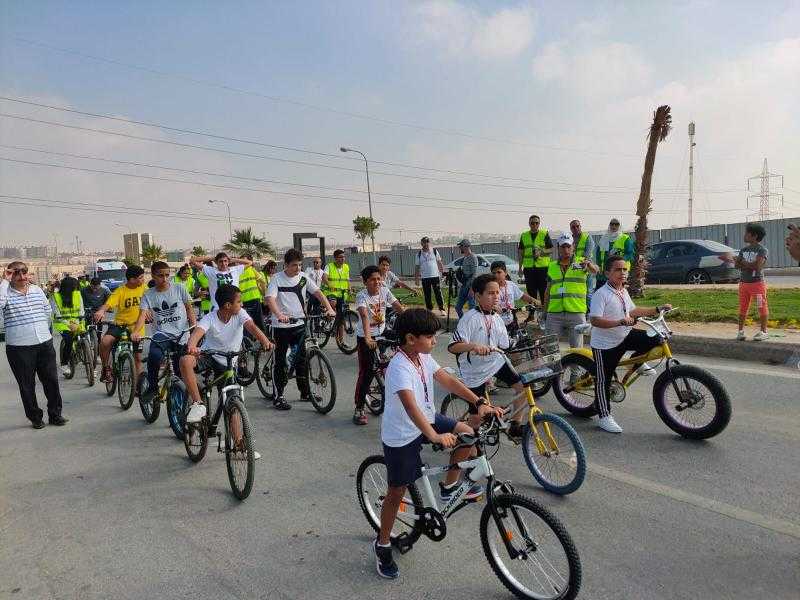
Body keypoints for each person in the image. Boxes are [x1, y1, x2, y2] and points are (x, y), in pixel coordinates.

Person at [374, 308, 504, 579]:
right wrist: (433, 436)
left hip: (428, 417)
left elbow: (446, 379)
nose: (435, 341)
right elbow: (410, 407)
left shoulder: (423, 357)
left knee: (468, 431)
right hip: (402, 434)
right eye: (430, 336)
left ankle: (448, 486)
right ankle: (383, 543)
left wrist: (479, 402)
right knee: (396, 492)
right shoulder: (399, 366)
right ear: (411, 338)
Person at [179, 285, 273, 461]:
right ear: (228, 305)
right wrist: (192, 346)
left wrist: (265, 340)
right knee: (185, 361)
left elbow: (251, 326)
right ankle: (198, 403)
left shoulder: (240, 314)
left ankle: (239, 445)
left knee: (233, 404)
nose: (242, 304)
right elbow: (198, 332)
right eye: (239, 301)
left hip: (229, 362)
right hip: (210, 356)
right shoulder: (210, 318)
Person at [589, 256, 671, 433]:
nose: (623, 273)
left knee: (655, 338)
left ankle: (637, 361)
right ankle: (603, 416)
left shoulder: (622, 291)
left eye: (624, 269)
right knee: (603, 379)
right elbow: (595, 320)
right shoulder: (601, 294)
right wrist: (619, 322)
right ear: (607, 273)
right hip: (605, 344)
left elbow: (632, 311)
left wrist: (657, 309)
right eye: (618, 270)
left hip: (624, 335)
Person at [448, 274, 528, 438]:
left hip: (495, 362)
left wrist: (522, 341)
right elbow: (453, 347)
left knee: (523, 388)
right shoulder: (469, 319)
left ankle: (515, 424)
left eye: (497, 292)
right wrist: (474, 346)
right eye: (491, 293)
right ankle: (464, 438)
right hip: (474, 371)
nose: (496, 296)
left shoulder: (497, 318)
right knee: (477, 419)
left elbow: (505, 345)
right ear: (478, 296)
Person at [265, 249, 336, 411]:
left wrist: (329, 308)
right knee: (281, 361)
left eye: (300, 265)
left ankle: (305, 392)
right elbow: (270, 299)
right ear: (286, 265)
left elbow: (318, 293)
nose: (297, 268)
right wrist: (279, 314)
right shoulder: (276, 279)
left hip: (299, 325)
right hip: (281, 326)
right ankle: (278, 396)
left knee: (301, 360)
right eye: (294, 265)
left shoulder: (303, 278)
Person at [1, 261, 68, 428]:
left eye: (24, 272)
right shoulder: (5, 293)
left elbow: (47, 311)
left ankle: (55, 414)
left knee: (51, 380)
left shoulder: (37, 290)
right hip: (19, 347)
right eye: (16, 273)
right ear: (10, 274)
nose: (22, 277)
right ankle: (35, 418)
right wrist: (4, 282)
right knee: (27, 385)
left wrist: (44, 332)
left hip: (44, 344)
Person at [132, 262, 197, 404]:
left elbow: (189, 309)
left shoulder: (180, 288)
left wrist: (194, 328)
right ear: (153, 276)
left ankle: (184, 405)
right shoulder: (148, 295)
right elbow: (142, 315)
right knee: (154, 356)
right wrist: (136, 331)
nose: (165, 278)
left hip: (182, 334)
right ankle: (153, 387)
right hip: (161, 335)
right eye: (161, 275)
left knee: (181, 372)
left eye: (167, 275)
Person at [353, 265, 404, 426]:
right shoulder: (362, 296)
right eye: (372, 280)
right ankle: (359, 408)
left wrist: (414, 321)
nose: (377, 282)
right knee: (367, 372)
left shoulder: (384, 291)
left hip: (382, 332)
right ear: (365, 282)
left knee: (405, 344)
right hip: (366, 337)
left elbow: (398, 308)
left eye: (378, 279)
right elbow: (364, 316)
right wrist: (368, 338)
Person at [544, 234, 598, 348]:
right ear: (558, 248)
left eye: (568, 246)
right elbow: (548, 290)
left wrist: (589, 265)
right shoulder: (552, 266)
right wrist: (545, 311)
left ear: (573, 246)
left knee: (577, 350)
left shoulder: (582, 262)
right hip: (554, 314)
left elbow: (596, 271)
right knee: (550, 349)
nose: (566, 250)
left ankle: (575, 366)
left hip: (576, 313)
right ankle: (554, 367)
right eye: (563, 247)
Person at [94, 264, 146, 384]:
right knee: (105, 342)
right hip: (120, 326)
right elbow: (109, 304)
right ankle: (106, 368)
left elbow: (151, 302)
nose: (143, 280)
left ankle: (137, 386)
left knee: (138, 358)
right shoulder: (120, 291)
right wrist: (101, 311)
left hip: (137, 328)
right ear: (132, 279)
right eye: (141, 277)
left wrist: (150, 313)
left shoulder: (144, 288)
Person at [735, 222, 769, 341]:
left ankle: (764, 331)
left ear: (754, 236)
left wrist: (743, 263)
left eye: (747, 234)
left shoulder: (762, 250)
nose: (744, 236)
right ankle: (740, 331)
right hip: (743, 284)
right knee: (743, 307)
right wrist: (748, 264)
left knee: (761, 306)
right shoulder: (743, 250)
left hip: (757, 284)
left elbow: (758, 267)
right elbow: (736, 265)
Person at [51, 276, 86, 376]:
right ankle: (64, 364)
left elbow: (81, 310)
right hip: (63, 324)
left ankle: (88, 363)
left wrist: (78, 323)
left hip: (77, 322)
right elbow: (57, 315)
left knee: (85, 337)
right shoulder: (55, 297)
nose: (76, 288)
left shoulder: (77, 294)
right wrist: (69, 324)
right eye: (74, 286)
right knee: (69, 340)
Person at [490, 260, 537, 334]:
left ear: (505, 273)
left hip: (512, 319)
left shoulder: (511, 285)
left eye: (499, 272)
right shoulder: (490, 287)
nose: (496, 275)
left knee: (516, 339)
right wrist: (493, 307)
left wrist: (535, 301)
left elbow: (522, 296)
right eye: (493, 273)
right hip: (497, 321)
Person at [518, 214, 553, 305]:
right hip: (529, 269)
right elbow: (521, 253)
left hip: (543, 268)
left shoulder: (544, 234)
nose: (534, 225)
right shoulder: (524, 235)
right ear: (529, 224)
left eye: (536, 223)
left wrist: (541, 252)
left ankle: (545, 314)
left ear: (539, 224)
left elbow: (551, 249)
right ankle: (532, 314)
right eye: (532, 223)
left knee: (544, 291)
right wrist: (520, 268)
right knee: (531, 292)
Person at [595, 218, 634, 289]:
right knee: (600, 295)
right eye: (612, 224)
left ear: (620, 226)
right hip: (603, 274)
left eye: (616, 224)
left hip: (618, 273)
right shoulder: (603, 238)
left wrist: (619, 259)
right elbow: (598, 255)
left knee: (615, 296)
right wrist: (598, 267)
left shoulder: (625, 238)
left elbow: (630, 254)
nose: (614, 226)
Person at [414, 237, 445, 316]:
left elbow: (439, 262)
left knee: (438, 293)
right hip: (425, 277)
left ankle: (442, 309)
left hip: (435, 276)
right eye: (424, 242)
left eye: (427, 242)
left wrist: (443, 273)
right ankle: (429, 309)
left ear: (429, 243)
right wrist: (416, 279)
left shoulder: (434, 251)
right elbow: (417, 267)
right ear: (422, 244)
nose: (426, 244)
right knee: (427, 294)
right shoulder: (419, 254)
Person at [238, 253, 267, 334]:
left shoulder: (246, 270)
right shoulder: (248, 270)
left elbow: (262, 282)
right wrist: (264, 294)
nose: (242, 263)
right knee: (257, 323)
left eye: (244, 261)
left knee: (249, 324)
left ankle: (262, 343)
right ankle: (263, 343)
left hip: (250, 301)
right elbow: (263, 282)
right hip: (247, 301)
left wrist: (264, 295)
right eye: (241, 261)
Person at [570, 219, 596, 308]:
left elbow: (587, 256)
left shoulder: (587, 238)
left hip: (586, 269)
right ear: (571, 229)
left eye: (577, 226)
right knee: (576, 292)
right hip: (574, 269)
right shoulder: (569, 239)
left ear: (580, 226)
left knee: (588, 292)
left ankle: (591, 313)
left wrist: (576, 265)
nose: (576, 228)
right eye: (573, 227)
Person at [81, 277, 111, 345]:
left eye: (96, 288)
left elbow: (110, 301)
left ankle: (99, 339)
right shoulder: (83, 290)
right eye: (93, 287)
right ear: (90, 284)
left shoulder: (105, 290)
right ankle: (85, 342)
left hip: (99, 311)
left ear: (100, 285)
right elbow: (79, 301)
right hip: (87, 311)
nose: (94, 290)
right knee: (86, 326)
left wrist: (106, 308)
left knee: (99, 326)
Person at [454, 239, 478, 318]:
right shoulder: (465, 257)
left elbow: (474, 273)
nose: (460, 248)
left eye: (461, 246)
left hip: (470, 286)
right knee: (458, 308)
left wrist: (472, 288)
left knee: (472, 310)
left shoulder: (473, 257)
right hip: (464, 286)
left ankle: (472, 326)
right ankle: (463, 322)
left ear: (466, 246)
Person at [322, 249, 351, 314]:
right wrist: (330, 286)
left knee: (342, 312)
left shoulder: (346, 267)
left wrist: (349, 288)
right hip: (331, 292)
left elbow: (347, 279)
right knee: (333, 303)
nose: (343, 259)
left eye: (344, 257)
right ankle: (330, 316)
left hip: (342, 293)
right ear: (335, 258)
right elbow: (324, 277)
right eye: (340, 257)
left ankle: (341, 323)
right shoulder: (329, 266)